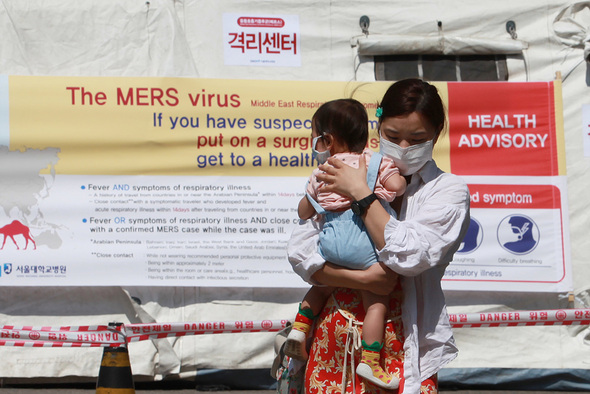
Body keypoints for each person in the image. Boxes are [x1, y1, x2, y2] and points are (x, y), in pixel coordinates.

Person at [287, 78, 470, 393]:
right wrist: (368, 280)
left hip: (405, 344)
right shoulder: (348, 168)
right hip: (334, 335)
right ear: (378, 127)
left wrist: (360, 192)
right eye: (392, 136)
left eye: (417, 139)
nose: (402, 148)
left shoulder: (446, 191)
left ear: (436, 135)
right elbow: (302, 249)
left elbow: (410, 255)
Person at [284, 99, 406, 390]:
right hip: (365, 245)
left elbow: (304, 212)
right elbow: (396, 187)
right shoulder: (375, 162)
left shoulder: (324, 169)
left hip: (331, 244)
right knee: (375, 301)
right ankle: (371, 361)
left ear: (328, 140)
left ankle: (300, 328)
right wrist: (397, 180)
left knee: (321, 285)